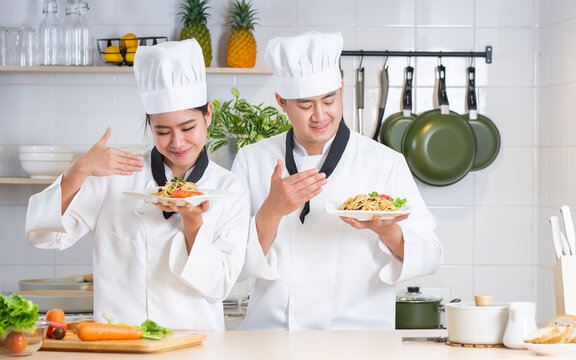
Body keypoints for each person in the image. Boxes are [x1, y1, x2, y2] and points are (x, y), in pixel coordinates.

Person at [25, 39, 249, 331]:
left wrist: (194, 222)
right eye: (163, 131)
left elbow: (219, 285)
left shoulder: (230, 188)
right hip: (121, 341)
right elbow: (43, 236)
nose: (177, 142)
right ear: (149, 124)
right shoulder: (116, 175)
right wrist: (77, 171)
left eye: (188, 127)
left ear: (208, 114)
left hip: (195, 343)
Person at [231, 32, 442, 330]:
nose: (319, 115)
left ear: (342, 89)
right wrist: (271, 212)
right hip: (272, 337)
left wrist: (389, 231)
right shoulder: (253, 160)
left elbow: (431, 255)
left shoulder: (384, 162)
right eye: (305, 105)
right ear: (282, 102)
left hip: (357, 339)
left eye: (329, 100)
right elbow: (230, 267)